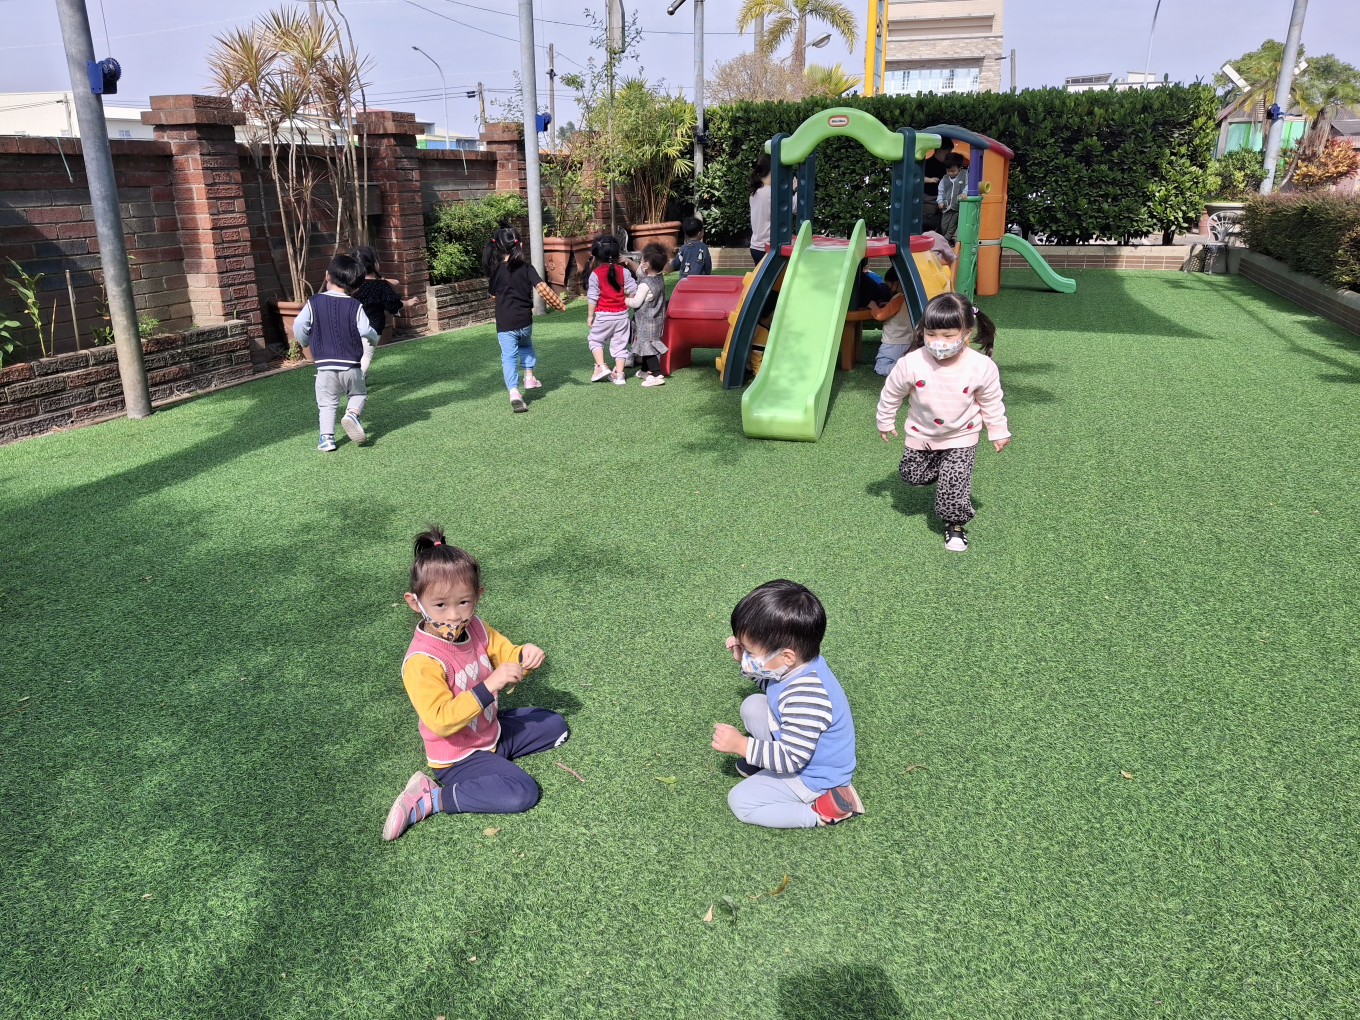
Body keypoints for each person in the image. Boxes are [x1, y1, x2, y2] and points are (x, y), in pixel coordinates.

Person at [383, 526, 570, 841]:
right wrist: (490, 685)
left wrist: (525, 655)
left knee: (555, 725)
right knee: (522, 793)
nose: (454, 615)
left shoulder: (478, 628)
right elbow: (440, 721)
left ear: (478, 596)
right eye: (440, 605)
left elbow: (506, 654)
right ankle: (431, 798)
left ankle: (492, 763)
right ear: (415, 603)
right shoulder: (422, 661)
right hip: (457, 755)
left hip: (490, 731)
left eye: (464, 602)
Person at [711, 580, 864, 829]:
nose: (747, 656)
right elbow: (772, 688)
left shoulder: (807, 697)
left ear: (786, 656)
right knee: (753, 705)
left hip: (813, 774)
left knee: (741, 801)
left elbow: (792, 759)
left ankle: (822, 813)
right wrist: (744, 662)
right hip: (800, 749)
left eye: (751, 652)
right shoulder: (798, 666)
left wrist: (743, 746)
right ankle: (762, 761)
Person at [875, 293, 1009, 553]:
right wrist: (885, 420)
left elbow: (991, 401)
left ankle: (955, 525)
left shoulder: (981, 366)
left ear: (966, 333)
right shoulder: (911, 363)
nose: (939, 342)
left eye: (948, 336)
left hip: (962, 434)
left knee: (953, 487)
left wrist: (998, 430)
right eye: (931, 334)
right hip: (922, 433)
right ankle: (944, 472)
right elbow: (891, 393)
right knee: (913, 475)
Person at [293, 253, 379, 452]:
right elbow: (366, 330)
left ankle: (327, 439)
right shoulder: (355, 305)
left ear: (327, 276)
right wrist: (374, 339)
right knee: (358, 393)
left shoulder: (314, 302)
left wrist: (305, 342)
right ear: (355, 287)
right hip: (351, 366)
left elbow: (299, 324)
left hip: (325, 368)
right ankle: (352, 414)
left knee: (327, 403)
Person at [485, 227, 550, 413]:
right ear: (519, 244)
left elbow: (493, 295)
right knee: (526, 345)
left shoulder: (496, 271)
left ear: (497, 248)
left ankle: (514, 392)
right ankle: (529, 377)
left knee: (509, 357)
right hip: (525, 321)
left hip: (505, 323)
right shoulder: (527, 268)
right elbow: (540, 285)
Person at [350, 244, 419, 377]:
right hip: (373, 327)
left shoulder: (352, 286)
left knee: (356, 354)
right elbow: (393, 304)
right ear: (374, 264)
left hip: (352, 326)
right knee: (367, 355)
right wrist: (408, 303)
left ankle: (353, 377)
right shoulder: (380, 286)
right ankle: (357, 380)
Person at [586, 233, 637, 385]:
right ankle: (620, 375)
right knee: (620, 346)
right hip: (622, 316)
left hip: (603, 316)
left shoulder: (595, 274)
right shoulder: (624, 272)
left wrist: (590, 316)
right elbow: (633, 289)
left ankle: (601, 366)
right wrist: (627, 300)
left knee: (595, 340)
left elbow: (593, 297)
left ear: (597, 255)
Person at [628, 243, 669, 388]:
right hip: (656, 319)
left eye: (641, 261)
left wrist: (624, 300)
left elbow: (636, 303)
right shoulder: (659, 277)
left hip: (646, 321)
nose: (639, 263)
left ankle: (656, 375)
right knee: (647, 345)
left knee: (648, 348)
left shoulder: (645, 285)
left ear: (646, 265)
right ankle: (645, 370)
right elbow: (641, 273)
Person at [866, 267, 914, 376]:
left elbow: (880, 316)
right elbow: (900, 310)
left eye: (889, 285)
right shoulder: (911, 297)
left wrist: (873, 305)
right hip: (907, 341)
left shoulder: (899, 298)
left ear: (896, 282)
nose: (889, 289)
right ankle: (906, 368)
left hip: (892, 342)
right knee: (900, 361)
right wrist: (889, 304)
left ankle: (904, 371)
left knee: (881, 367)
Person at [920, 138, 953, 234]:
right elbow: (917, 178)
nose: (948, 156)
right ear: (941, 150)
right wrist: (929, 180)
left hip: (941, 198)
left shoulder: (946, 166)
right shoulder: (927, 164)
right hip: (928, 197)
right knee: (929, 217)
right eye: (948, 153)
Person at [937, 154, 969, 243]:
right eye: (948, 171)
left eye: (953, 171)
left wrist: (964, 193)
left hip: (958, 206)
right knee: (944, 226)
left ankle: (946, 240)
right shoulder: (944, 179)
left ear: (960, 168)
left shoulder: (965, 175)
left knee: (953, 224)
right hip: (947, 206)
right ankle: (947, 239)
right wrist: (940, 201)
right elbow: (941, 191)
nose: (950, 173)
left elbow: (968, 185)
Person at [748, 154, 773, 265]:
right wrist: (796, 190)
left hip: (755, 246)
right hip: (765, 247)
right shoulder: (770, 193)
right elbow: (794, 207)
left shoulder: (755, 193)